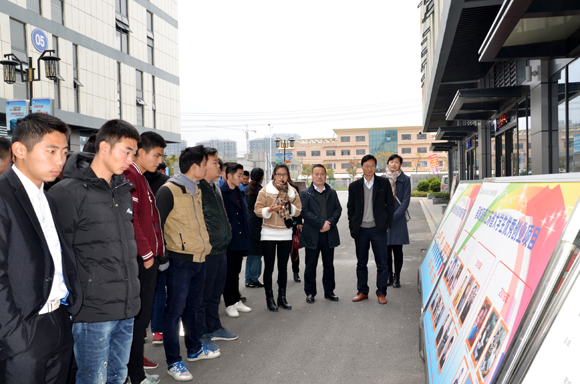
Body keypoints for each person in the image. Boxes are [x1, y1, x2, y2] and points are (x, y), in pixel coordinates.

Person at [49, 119, 142, 384]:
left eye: (134, 153)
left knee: (117, 375)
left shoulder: (122, 190)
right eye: (127, 151)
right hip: (92, 310)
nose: (131, 160)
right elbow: (58, 254)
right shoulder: (67, 192)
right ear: (104, 146)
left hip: (127, 306)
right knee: (92, 379)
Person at [0, 114, 82, 384]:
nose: (60, 160)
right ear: (19, 150)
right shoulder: (4, 195)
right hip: (24, 330)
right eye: (51, 151)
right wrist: (14, 334)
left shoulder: (47, 197)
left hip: (58, 319)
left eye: (64, 152)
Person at [155, 145, 218, 382]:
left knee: (193, 307)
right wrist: (162, 259)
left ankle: (194, 350)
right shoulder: (168, 190)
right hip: (179, 261)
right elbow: (157, 227)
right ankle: (174, 361)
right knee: (174, 312)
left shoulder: (197, 189)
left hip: (199, 258)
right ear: (194, 167)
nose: (206, 167)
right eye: (204, 163)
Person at [124, 131, 166, 384]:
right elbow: (134, 220)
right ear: (140, 151)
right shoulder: (131, 174)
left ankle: (135, 370)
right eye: (156, 154)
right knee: (138, 321)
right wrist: (148, 254)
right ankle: (135, 375)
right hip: (143, 260)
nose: (159, 161)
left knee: (141, 319)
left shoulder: (141, 177)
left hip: (149, 257)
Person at [198, 148, 238, 351]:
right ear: (202, 165)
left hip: (221, 248)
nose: (219, 164)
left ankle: (214, 327)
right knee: (204, 295)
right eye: (214, 162)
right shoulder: (197, 188)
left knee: (215, 294)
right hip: (208, 250)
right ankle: (201, 333)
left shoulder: (215, 187)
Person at [347, 154, 395, 304]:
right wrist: (352, 225)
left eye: (372, 166)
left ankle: (381, 292)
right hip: (361, 230)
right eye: (366, 166)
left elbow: (391, 205)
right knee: (361, 263)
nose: (369, 169)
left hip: (378, 229)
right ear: (362, 167)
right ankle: (362, 291)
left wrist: (387, 225)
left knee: (382, 263)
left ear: (376, 167)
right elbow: (351, 207)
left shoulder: (383, 183)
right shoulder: (354, 186)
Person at [255, 163, 302, 311]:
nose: (282, 177)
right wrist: (269, 209)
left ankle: (282, 297)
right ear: (274, 175)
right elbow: (257, 210)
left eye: (284, 174)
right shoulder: (265, 191)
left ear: (288, 176)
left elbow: (299, 211)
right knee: (269, 267)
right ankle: (269, 298)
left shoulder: (293, 191)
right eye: (279, 174)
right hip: (268, 233)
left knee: (283, 267)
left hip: (285, 233)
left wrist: (290, 208)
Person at [299, 164, 342, 303]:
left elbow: (338, 210)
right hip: (312, 234)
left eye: (322, 173)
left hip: (329, 234)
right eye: (316, 174)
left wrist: (328, 223)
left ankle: (329, 291)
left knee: (329, 265)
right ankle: (310, 292)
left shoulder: (332, 192)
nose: (319, 176)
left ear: (325, 175)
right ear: (312, 176)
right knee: (310, 265)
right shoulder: (305, 193)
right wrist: (320, 223)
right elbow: (304, 212)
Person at [220, 163, 252, 317]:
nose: (241, 178)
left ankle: (236, 299)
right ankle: (229, 303)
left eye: (242, 175)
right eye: (238, 175)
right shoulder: (221, 192)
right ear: (228, 176)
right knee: (229, 273)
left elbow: (244, 217)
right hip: (229, 239)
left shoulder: (240, 191)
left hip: (240, 238)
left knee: (236, 271)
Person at [145, 161, 171, 346]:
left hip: (159, 243)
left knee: (159, 288)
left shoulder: (165, 182)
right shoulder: (131, 179)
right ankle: (148, 331)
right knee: (149, 290)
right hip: (142, 245)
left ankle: (157, 329)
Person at [384, 154, 411, 288]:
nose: (394, 164)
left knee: (397, 250)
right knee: (386, 249)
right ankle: (389, 275)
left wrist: (394, 216)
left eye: (397, 162)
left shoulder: (405, 179)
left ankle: (397, 277)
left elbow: (406, 200)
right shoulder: (382, 179)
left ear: (400, 164)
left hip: (398, 219)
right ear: (388, 163)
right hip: (384, 219)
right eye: (391, 162)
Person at [245, 168, 265, 288]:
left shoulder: (245, 188)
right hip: (257, 223)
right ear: (261, 177)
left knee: (251, 253)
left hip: (247, 222)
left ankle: (248, 279)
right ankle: (254, 278)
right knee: (257, 253)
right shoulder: (261, 191)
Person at [288, 175, 303, 283]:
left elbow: (298, 206)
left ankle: (296, 272)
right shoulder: (271, 190)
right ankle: (281, 273)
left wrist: (299, 222)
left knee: (294, 250)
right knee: (281, 252)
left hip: (293, 224)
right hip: (279, 226)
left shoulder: (294, 189)